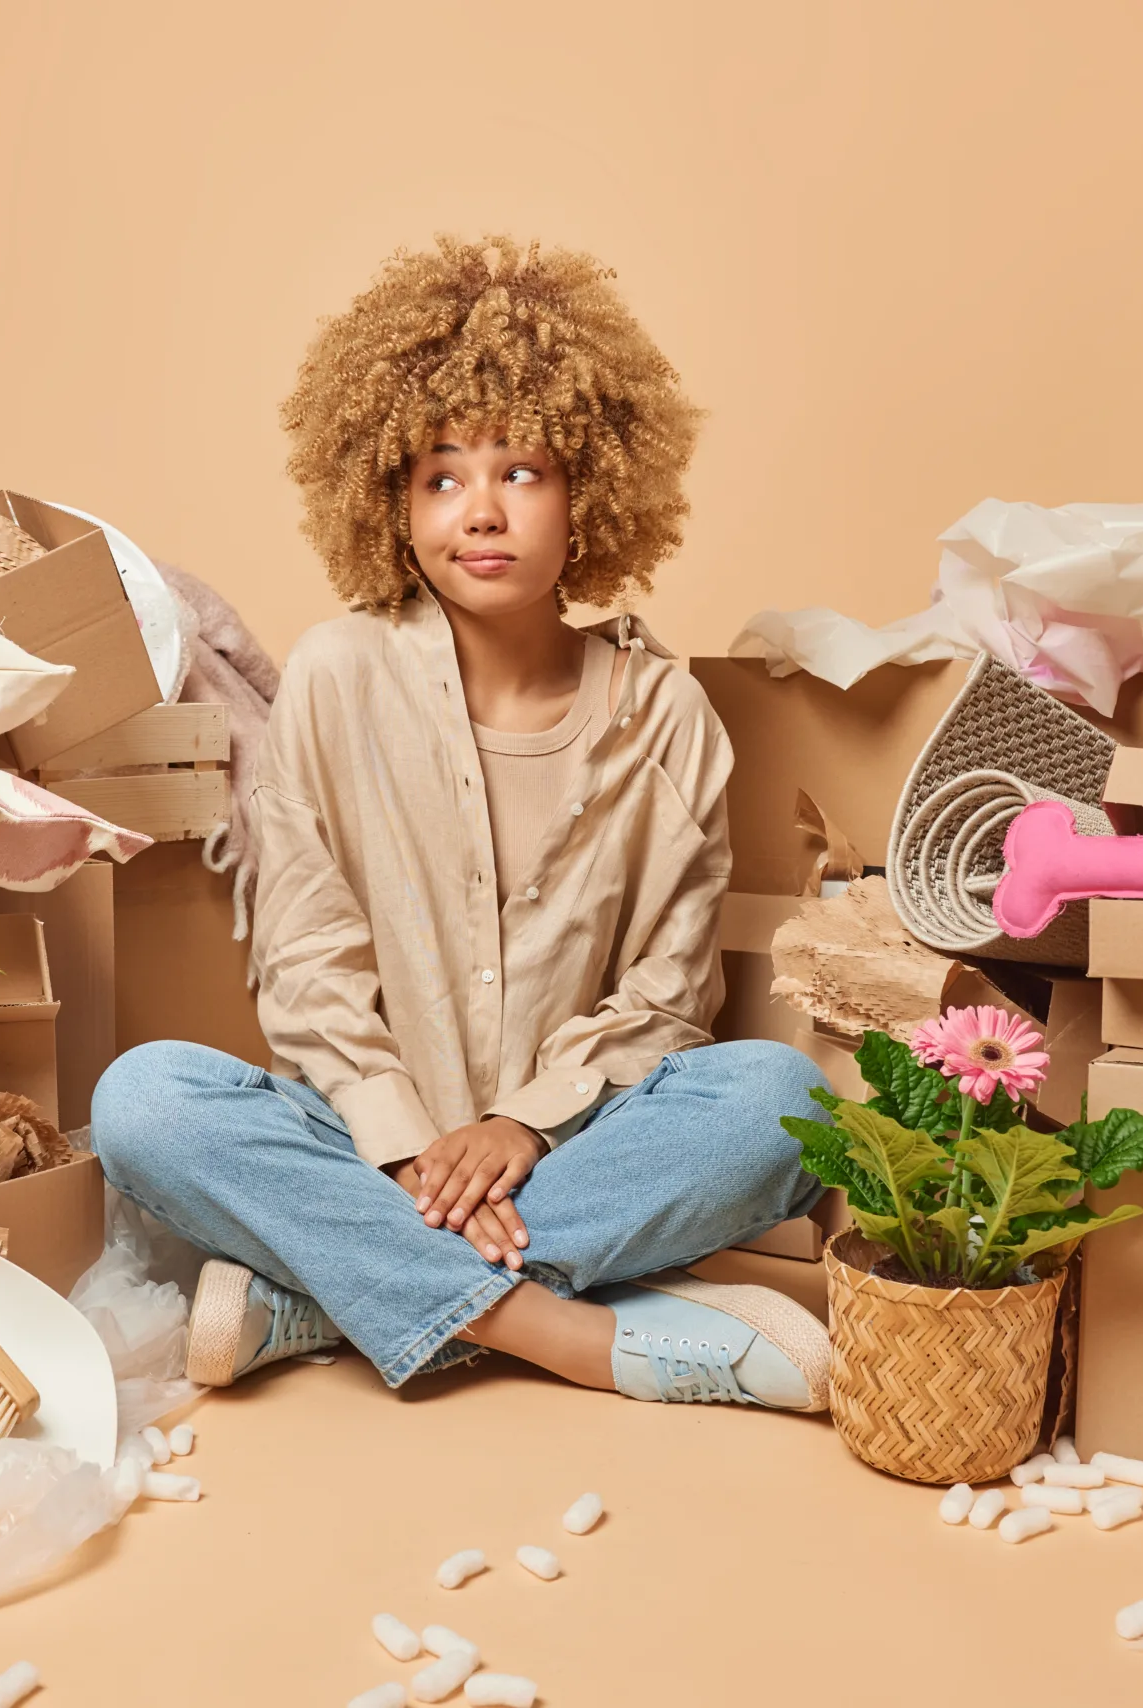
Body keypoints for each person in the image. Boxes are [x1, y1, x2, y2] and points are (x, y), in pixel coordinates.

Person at [92, 236, 832, 1411]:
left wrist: (522, 1128)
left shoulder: (666, 712)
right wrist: (399, 1139)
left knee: (782, 1106)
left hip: (573, 1148)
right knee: (143, 1101)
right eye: (438, 475)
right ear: (384, 493)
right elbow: (306, 963)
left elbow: (668, 998)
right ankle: (554, 1331)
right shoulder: (337, 676)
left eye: (520, 472)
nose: (478, 514)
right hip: (355, 1145)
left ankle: (319, 1296)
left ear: (590, 482)